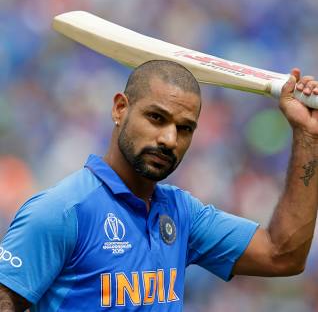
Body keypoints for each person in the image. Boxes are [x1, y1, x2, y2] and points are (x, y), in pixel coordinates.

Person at [1, 60, 318, 311]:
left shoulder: (182, 214)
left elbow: (282, 255)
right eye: (156, 117)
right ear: (120, 109)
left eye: (184, 128)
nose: (169, 139)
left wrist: (308, 134)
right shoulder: (60, 212)